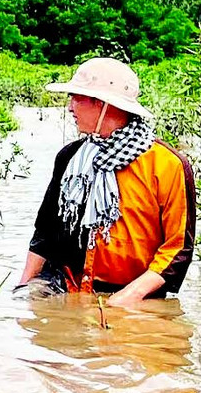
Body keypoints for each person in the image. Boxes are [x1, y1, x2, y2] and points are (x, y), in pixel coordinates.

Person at [19, 57, 195, 305]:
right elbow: (45, 231)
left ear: (103, 104)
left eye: (76, 98)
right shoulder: (70, 158)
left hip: (133, 295)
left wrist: (128, 296)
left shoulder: (168, 165)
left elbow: (178, 248)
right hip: (68, 285)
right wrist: (23, 288)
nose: (70, 108)